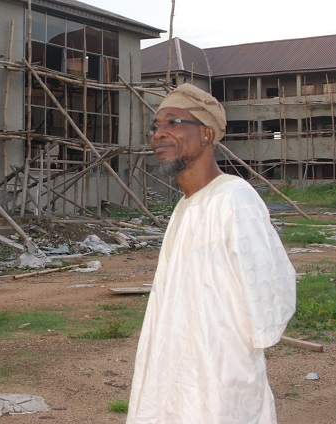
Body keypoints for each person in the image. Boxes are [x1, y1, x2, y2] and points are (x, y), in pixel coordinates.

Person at [126, 84, 296, 423]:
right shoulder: (185, 207)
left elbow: (271, 287)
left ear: (206, 134)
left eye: (173, 123)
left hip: (218, 375)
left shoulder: (234, 199)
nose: (159, 134)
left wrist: (231, 351)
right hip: (172, 367)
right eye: (155, 126)